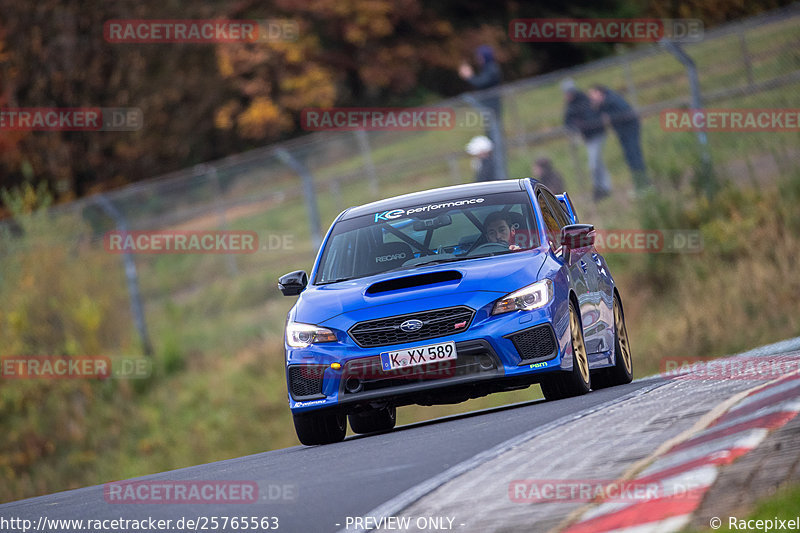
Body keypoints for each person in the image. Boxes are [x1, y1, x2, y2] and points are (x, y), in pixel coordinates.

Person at [588, 84, 650, 191]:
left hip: (630, 130)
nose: (592, 98)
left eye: (593, 94)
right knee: (630, 158)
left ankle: (644, 185)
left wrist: (600, 104)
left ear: (599, 92)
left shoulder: (611, 99)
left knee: (635, 157)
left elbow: (624, 111)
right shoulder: (605, 103)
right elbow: (595, 114)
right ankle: (640, 186)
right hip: (622, 133)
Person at [561, 78, 612, 202]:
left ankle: (599, 188)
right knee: (597, 162)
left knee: (594, 164)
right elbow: (568, 122)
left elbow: (592, 116)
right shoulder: (570, 106)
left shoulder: (584, 100)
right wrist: (575, 128)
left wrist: (582, 124)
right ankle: (604, 187)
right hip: (588, 137)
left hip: (597, 134)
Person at [458, 45, 503, 132]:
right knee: (490, 128)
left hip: (492, 104)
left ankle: (498, 145)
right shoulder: (487, 68)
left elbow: (481, 83)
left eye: (480, 57)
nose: (478, 59)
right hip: (489, 103)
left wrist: (469, 76)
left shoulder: (492, 68)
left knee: (495, 129)